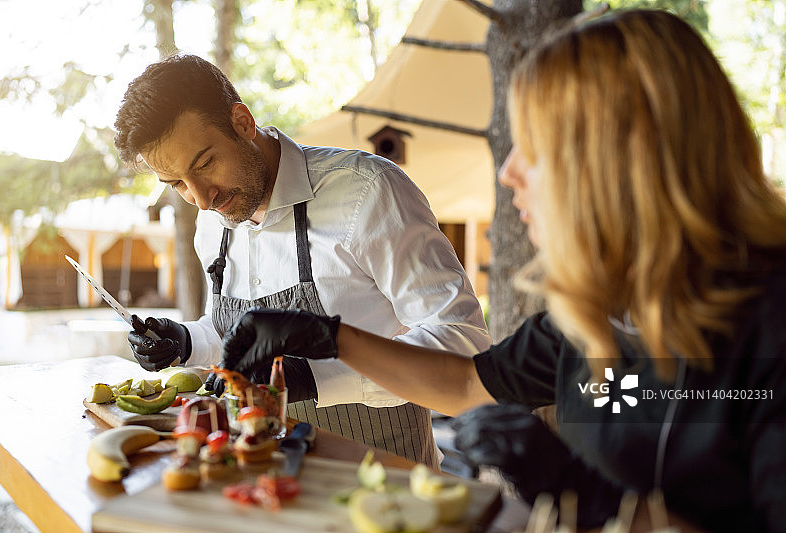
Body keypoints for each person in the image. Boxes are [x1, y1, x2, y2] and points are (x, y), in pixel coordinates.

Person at [210, 9, 786, 532]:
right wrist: (333, 339)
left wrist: (591, 499)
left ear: (618, 160)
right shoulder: (598, 312)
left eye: (535, 145)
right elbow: (464, 383)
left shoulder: (770, 328)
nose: (509, 171)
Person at [112, 53, 492, 468]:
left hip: (384, 475)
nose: (202, 198)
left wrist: (311, 378)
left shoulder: (368, 192)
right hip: (268, 474)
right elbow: (239, 336)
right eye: (177, 184)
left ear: (242, 122)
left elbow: (464, 346)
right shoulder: (212, 222)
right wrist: (188, 341)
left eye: (205, 164)